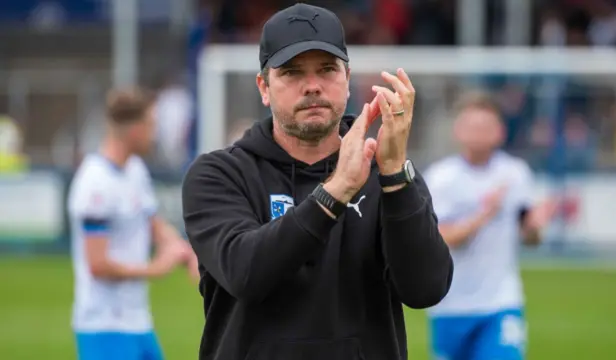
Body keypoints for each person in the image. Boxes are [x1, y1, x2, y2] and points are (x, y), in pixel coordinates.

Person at [181, 3, 453, 360]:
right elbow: (246, 273)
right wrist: (337, 190)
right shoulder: (219, 174)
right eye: (292, 73)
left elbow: (426, 289)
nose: (312, 86)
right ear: (264, 87)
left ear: (347, 78)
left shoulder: (387, 173)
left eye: (326, 69)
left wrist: (395, 177)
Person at [423, 91, 558, 360]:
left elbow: (530, 239)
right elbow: (441, 239)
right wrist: (483, 215)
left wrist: (535, 226)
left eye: (486, 127)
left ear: (500, 132)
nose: (479, 133)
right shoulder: (441, 178)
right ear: (458, 131)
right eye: (472, 126)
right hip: (451, 306)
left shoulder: (515, 173)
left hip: (501, 302)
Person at [67, 87, 199, 360]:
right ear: (135, 130)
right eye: (151, 125)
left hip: (138, 322)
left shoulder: (135, 170)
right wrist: (156, 269)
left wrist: (188, 253)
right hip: (103, 327)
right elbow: (97, 265)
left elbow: (155, 225)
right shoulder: (94, 183)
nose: (155, 133)